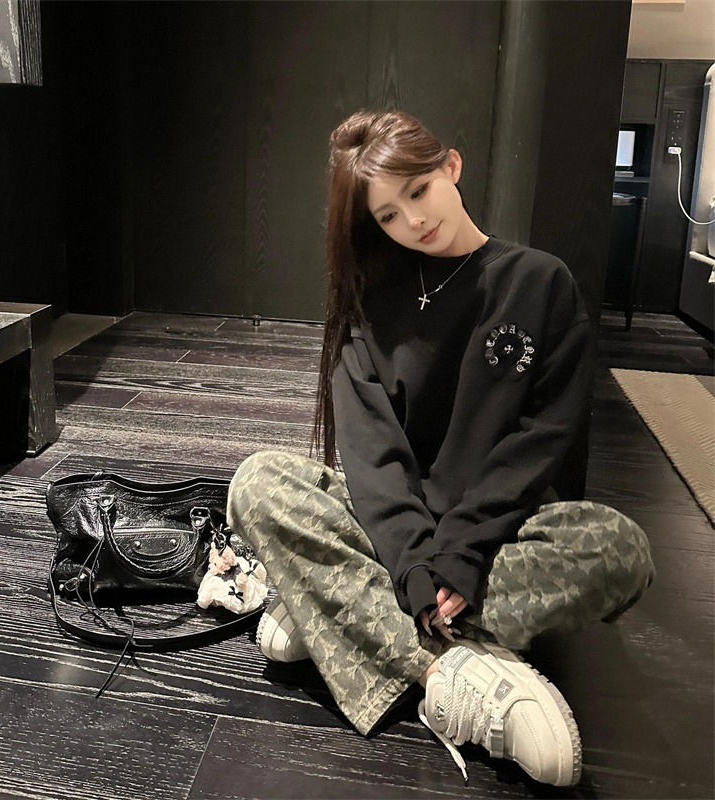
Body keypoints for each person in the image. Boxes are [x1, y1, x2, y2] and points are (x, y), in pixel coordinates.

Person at [226, 110, 654, 787]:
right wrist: (415, 565)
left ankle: (336, 605)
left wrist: (462, 552)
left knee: (619, 550)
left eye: (418, 191)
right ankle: (446, 672)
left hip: (497, 533)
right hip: (389, 533)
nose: (414, 221)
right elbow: (372, 457)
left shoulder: (540, 283)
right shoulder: (368, 303)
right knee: (257, 483)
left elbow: (540, 441)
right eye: (389, 216)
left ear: (451, 166)